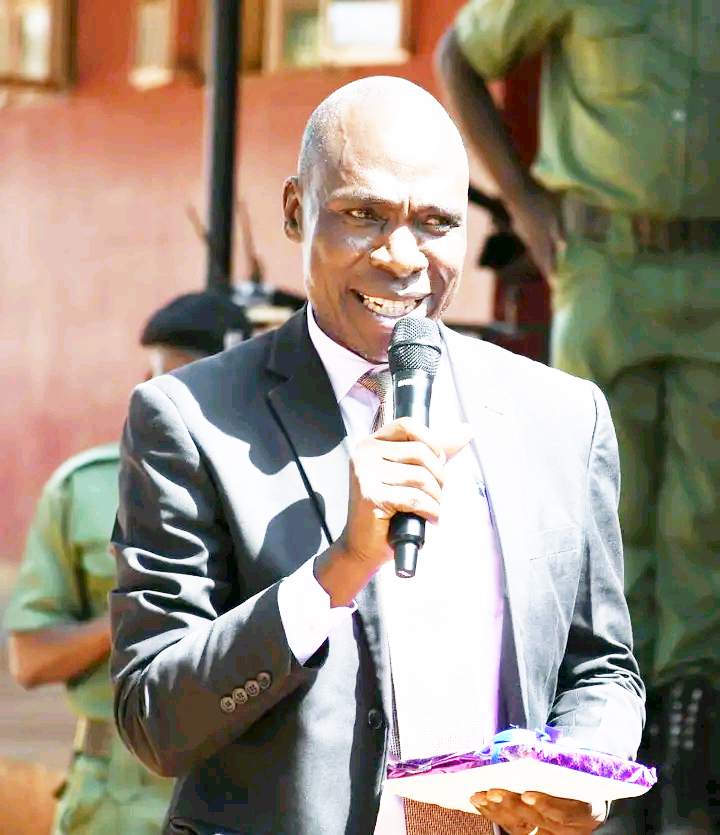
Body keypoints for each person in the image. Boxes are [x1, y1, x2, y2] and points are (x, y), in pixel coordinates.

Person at [109, 77, 644, 835]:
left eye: (435, 223)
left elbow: (603, 670)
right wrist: (339, 570)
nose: (403, 257)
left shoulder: (560, 416)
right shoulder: (190, 418)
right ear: (297, 211)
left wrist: (581, 772)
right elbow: (154, 718)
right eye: (365, 214)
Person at [436, 8, 719, 834]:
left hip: (712, 271)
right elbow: (459, 55)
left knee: (706, 527)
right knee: (597, 515)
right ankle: (596, 761)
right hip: (606, 268)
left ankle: (689, 768)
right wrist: (521, 201)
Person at [4, 291, 252, 835]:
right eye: (176, 377)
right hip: (115, 797)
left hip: (242, 789)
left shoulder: (275, 495)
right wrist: (145, 599)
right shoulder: (86, 488)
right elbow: (29, 660)